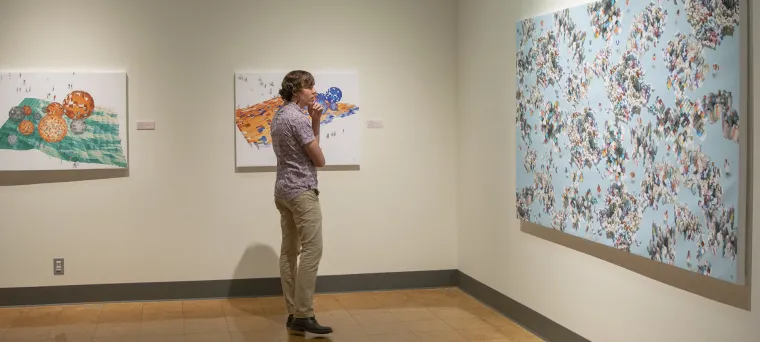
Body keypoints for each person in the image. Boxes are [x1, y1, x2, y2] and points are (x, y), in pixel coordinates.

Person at [270, 70, 332, 335]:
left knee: (288, 251)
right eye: (310, 86)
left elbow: (306, 150)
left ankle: (293, 312)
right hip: (302, 191)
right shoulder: (297, 118)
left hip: (282, 191)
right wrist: (313, 122)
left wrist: (315, 120)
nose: (314, 90)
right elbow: (319, 160)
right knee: (312, 250)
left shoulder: (280, 115)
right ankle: (304, 314)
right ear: (297, 91)